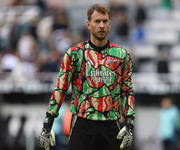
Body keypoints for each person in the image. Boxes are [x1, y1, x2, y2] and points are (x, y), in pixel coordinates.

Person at [38, 3, 135, 150]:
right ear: (88, 25)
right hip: (82, 124)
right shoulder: (74, 54)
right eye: (97, 21)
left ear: (110, 24)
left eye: (105, 21)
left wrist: (129, 124)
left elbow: (126, 91)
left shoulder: (122, 55)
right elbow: (61, 88)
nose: (101, 25)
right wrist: (47, 124)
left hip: (111, 123)